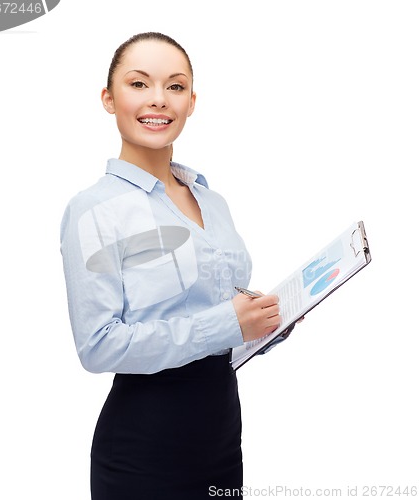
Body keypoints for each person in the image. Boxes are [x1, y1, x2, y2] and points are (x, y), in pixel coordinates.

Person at [60, 32, 285, 500]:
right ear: (109, 98)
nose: (158, 100)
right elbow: (98, 345)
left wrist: (259, 322)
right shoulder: (94, 210)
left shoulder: (212, 199)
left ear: (192, 101)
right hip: (143, 452)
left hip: (222, 441)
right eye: (139, 84)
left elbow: (220, 310)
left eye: (175, 86)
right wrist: (225, 323)